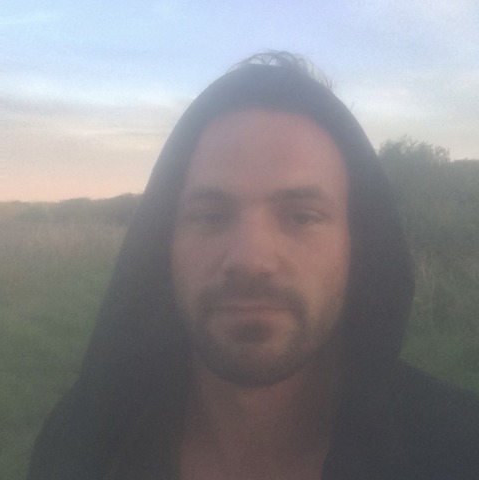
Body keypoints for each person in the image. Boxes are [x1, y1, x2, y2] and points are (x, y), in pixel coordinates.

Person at [28, 52, 479, 480]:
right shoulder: (83, 446)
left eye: (301, 216)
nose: (249, 259)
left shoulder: (458, 449)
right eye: (210, 216)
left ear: (358, 244)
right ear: (164, 242)